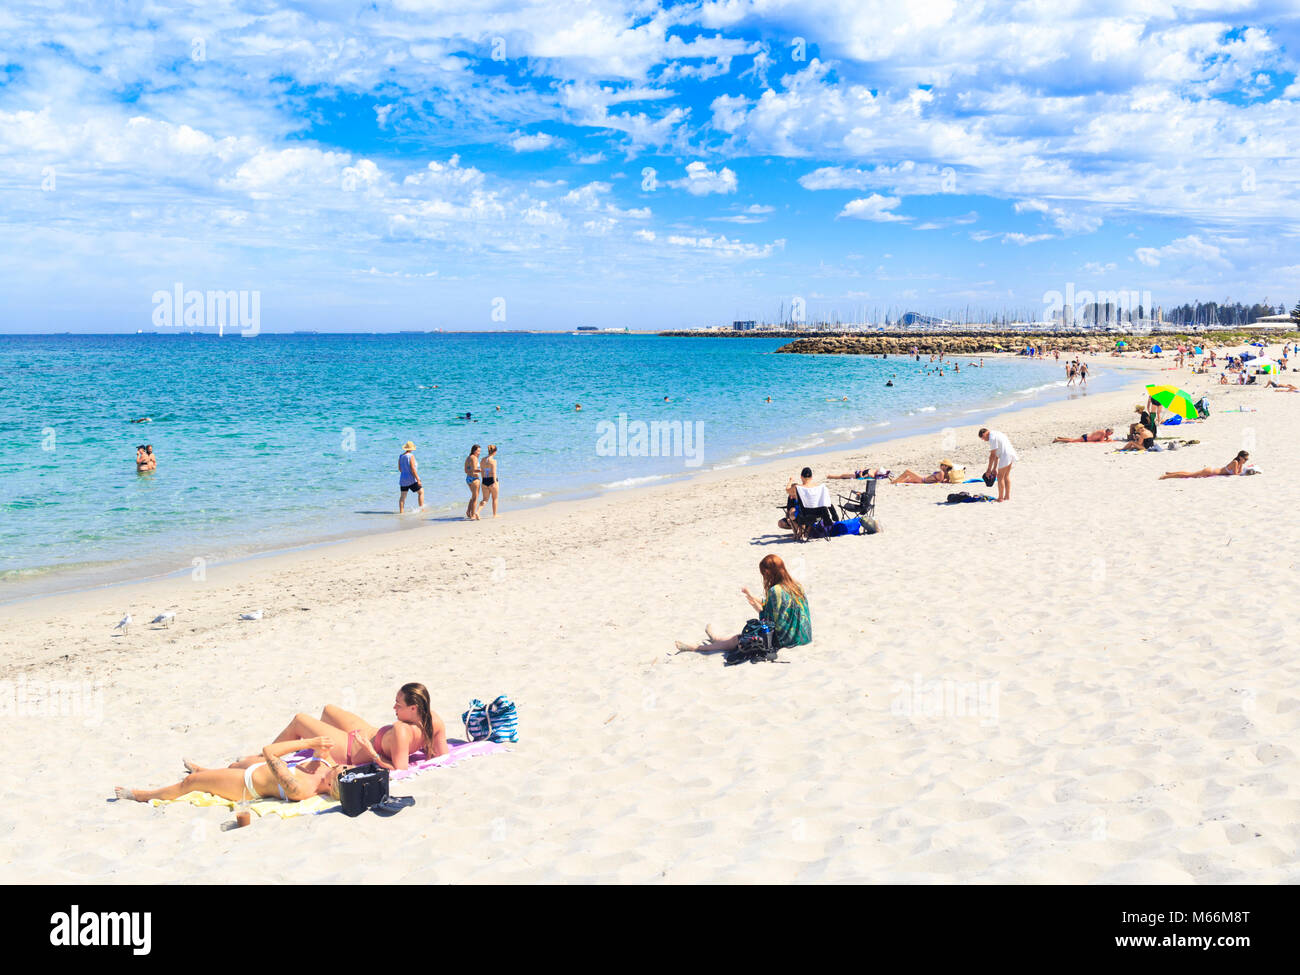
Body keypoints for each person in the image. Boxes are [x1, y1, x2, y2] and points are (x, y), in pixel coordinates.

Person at [225, 683, 449, 771]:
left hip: (354, 749)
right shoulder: (434, 719)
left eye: (398, 705)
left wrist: (372, 754)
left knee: (300, 720)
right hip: (369, 732)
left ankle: (264, 756)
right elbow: (442, 755)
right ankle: (318, 747)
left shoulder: (401, 730)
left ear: (412, 709)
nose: (393, 707)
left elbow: (400, 770)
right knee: (328, 710)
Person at [116, 736, 345, 804]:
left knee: (189, 785)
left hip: (245, 784)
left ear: (330, 784)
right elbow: (323, 752)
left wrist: (308, 743)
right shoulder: (325, 767)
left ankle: (141, 795)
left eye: (342, 769)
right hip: (257, 769)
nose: (344, 765)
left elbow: (270, 751)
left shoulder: (301, 788)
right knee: (235, 763)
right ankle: (201, 769)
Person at [674, 555, 811, 654]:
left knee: (738, 640)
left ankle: (697, 648)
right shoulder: (796, 585)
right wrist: (751, 596)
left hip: (787, 640)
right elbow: (775, 606)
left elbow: (767, 621)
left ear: (768, 573)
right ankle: (715, 638)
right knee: (737, 637)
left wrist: (756, 608)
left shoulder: (775, 591)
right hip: (803, 636)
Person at [979, 427, 1017, 502]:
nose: (984, 440)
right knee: (1006, 476)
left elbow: (992, 455)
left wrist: (988, 470)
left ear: (985, 433)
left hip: (1005, 455)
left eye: (983, 438)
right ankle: (1007, 496)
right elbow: (996, 455)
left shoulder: (991, 438)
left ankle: (1000, 498)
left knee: (1000, 477)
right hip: (1011, 453)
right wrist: (994, 469)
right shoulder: (997, 433)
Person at [1161, 451, 1250, 479]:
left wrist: (1242, 464)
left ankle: (1170, 473)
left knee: (1190, 473)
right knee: (1190, 475)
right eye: (1245, 459)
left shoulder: (1238, 462)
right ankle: (1166, 476)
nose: (1246, 460)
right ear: (1240, 457)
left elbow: (1239, 472)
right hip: (1210, 471)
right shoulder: (1235, 462)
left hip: (1212, 470)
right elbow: (1235, 473)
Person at [397, 441, 424, 513]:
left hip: (403, 480)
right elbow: (413, 469)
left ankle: (401, 512)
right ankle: (422, 509)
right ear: (411, 449)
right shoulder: (411, 456)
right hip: (411, 479)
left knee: (402, 497)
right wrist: (418, 479)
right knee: (421, 492)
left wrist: (405, 473)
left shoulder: (401, 456)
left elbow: (400, 469)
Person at [890, 460, 960, 484]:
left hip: (922, 480)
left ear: (946, 466)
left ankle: (893, 482)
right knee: (907, 480)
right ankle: (895, 481)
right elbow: (945, 481)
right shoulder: (946, 474)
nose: (940, 466)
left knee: (907, 472)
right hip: (923, 480)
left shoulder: (942, 472)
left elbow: (940, 482)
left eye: (942, 465)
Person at [480, 444, 500, 517]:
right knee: (495, 498)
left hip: (484, 480)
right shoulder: (493, 461)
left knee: (485, 499)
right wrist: (494, 482)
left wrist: (483, 481)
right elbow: (494, 472)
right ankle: (494, 514)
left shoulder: (482, 460)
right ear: (494, 452)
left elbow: (482, 471)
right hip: (492, 480)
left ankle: (478, 512)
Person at [464, 444, 482, 520]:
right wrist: (482, 469)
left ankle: (468, 511)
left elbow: (465, 470)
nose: (479, 453)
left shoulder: (468, 458)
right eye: (478, 451)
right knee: (475, 497)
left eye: (480, 451)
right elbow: (475, 469)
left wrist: (471, 471)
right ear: (474, 451)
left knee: (473, 496)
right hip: (474, 479)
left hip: (468, 478)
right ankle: (473, 515)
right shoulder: (474, 458)